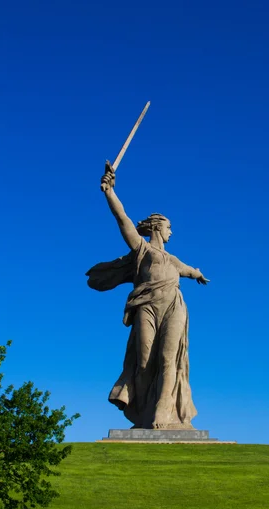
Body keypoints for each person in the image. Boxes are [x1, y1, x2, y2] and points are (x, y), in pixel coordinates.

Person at [86, 162, 209, 429]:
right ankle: (142, 411)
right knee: (143, 362)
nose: (171, 232)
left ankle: (162, 415)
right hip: (147, 306)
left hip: (174, 306)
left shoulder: (172, 259)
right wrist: (110, 192)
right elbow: (123, 220)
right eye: (168, 227)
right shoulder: (142, 249)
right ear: (156, 227)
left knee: (168, 358)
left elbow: (188, 270)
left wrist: (197, 273)